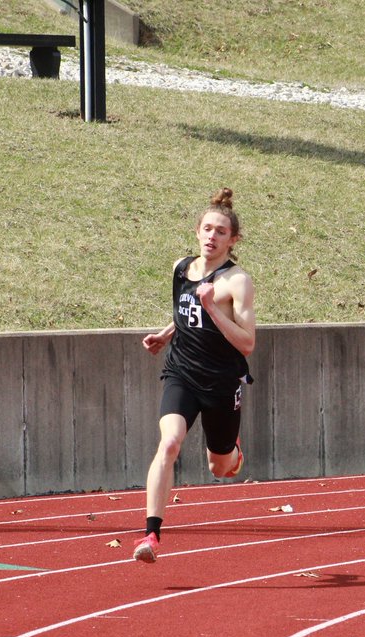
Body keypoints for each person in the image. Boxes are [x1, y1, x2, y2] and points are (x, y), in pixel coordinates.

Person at [134, 188, 256, 563]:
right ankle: (151, 535)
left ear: (232, 240)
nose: (211, 236)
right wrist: (165, 334)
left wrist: (213, 308)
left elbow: (247, 343)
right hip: (182, 373)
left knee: (220, 467)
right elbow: (184, 313)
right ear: (196, 231)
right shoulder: (180, 268)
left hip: (220, 383)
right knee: (169, 444)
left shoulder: (237, 282)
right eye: (206, 229)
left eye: (221, 232)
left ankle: (231, 450)